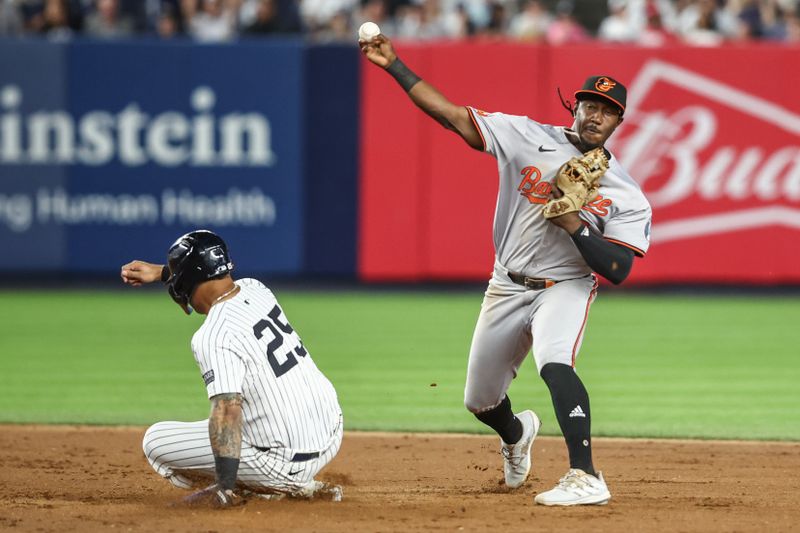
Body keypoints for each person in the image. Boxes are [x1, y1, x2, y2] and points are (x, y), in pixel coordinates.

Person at [360, 35, 651, 506]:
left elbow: (618, 268)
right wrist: (395, 65)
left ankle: (585, 475)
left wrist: (575, 224)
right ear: (573, 107)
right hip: (506, 283)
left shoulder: (627, 193)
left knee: (555, 363)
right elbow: (453, 116)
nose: (596, 115)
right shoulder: (524, 135)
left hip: (566, 286)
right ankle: (517, 435)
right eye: (589, 104)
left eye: (608, 109)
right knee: (480, 400)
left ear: (619, 120)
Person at [121, 230, 343, 506]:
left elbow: (227, 411)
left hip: (282, 463)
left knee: (155, 442)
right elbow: (204, 276)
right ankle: (281, 482)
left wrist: (224, 487)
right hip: (332, 433)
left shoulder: (213, 335)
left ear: (187, 281)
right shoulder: (256, 288)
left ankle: (261, 488)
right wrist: (166, 272)